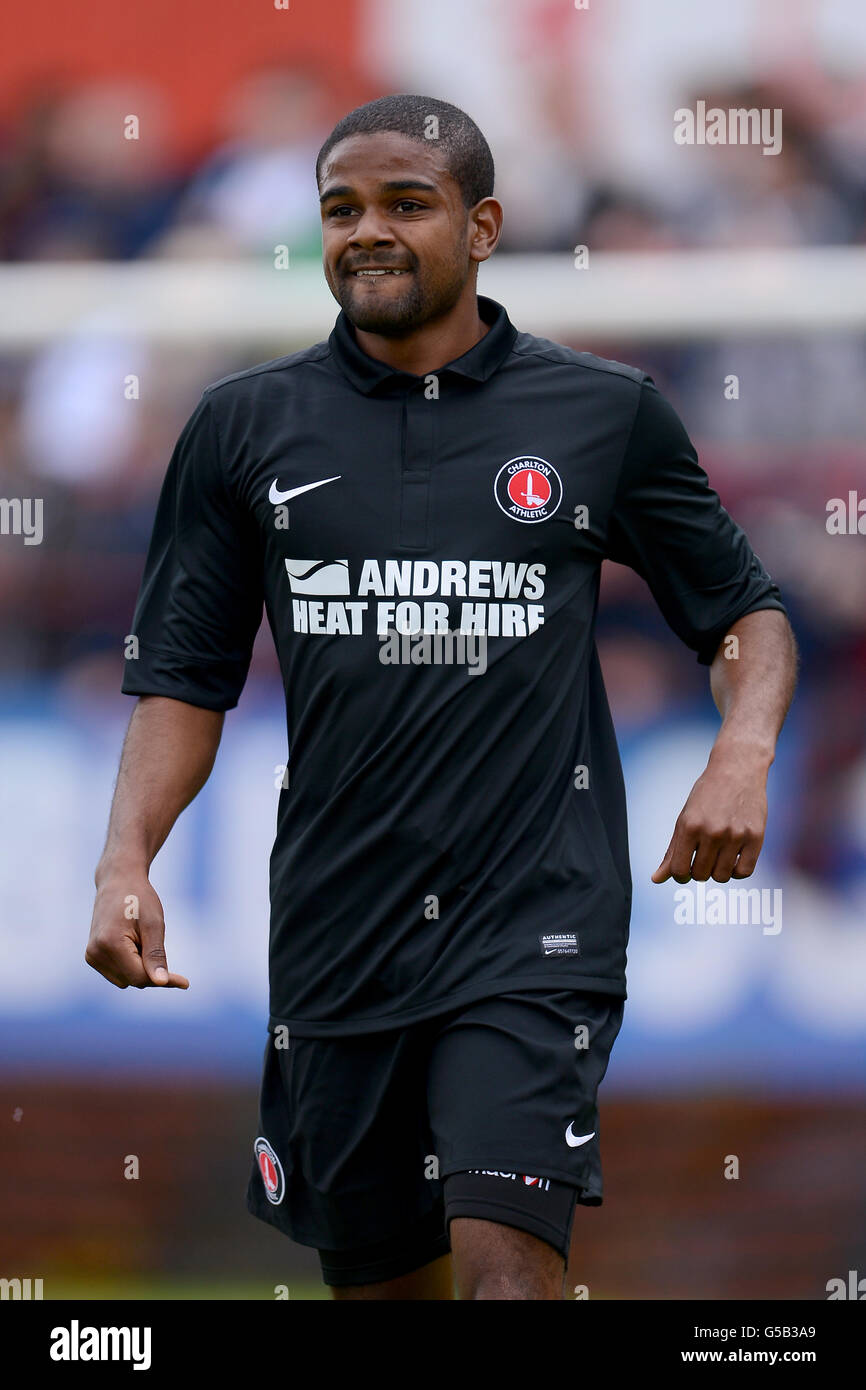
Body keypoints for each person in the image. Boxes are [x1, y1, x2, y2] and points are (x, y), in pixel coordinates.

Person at [86, 94, 798, 1300]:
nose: (366, 231)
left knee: (504, 1279)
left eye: (405, 205)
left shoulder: (600, 415)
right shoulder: (241, 428)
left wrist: (742, 752)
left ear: (481, 227)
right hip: (337, 927)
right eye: (341, 209)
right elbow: (180, 682)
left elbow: (743, 613)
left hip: (533, 921)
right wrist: (124, 860)